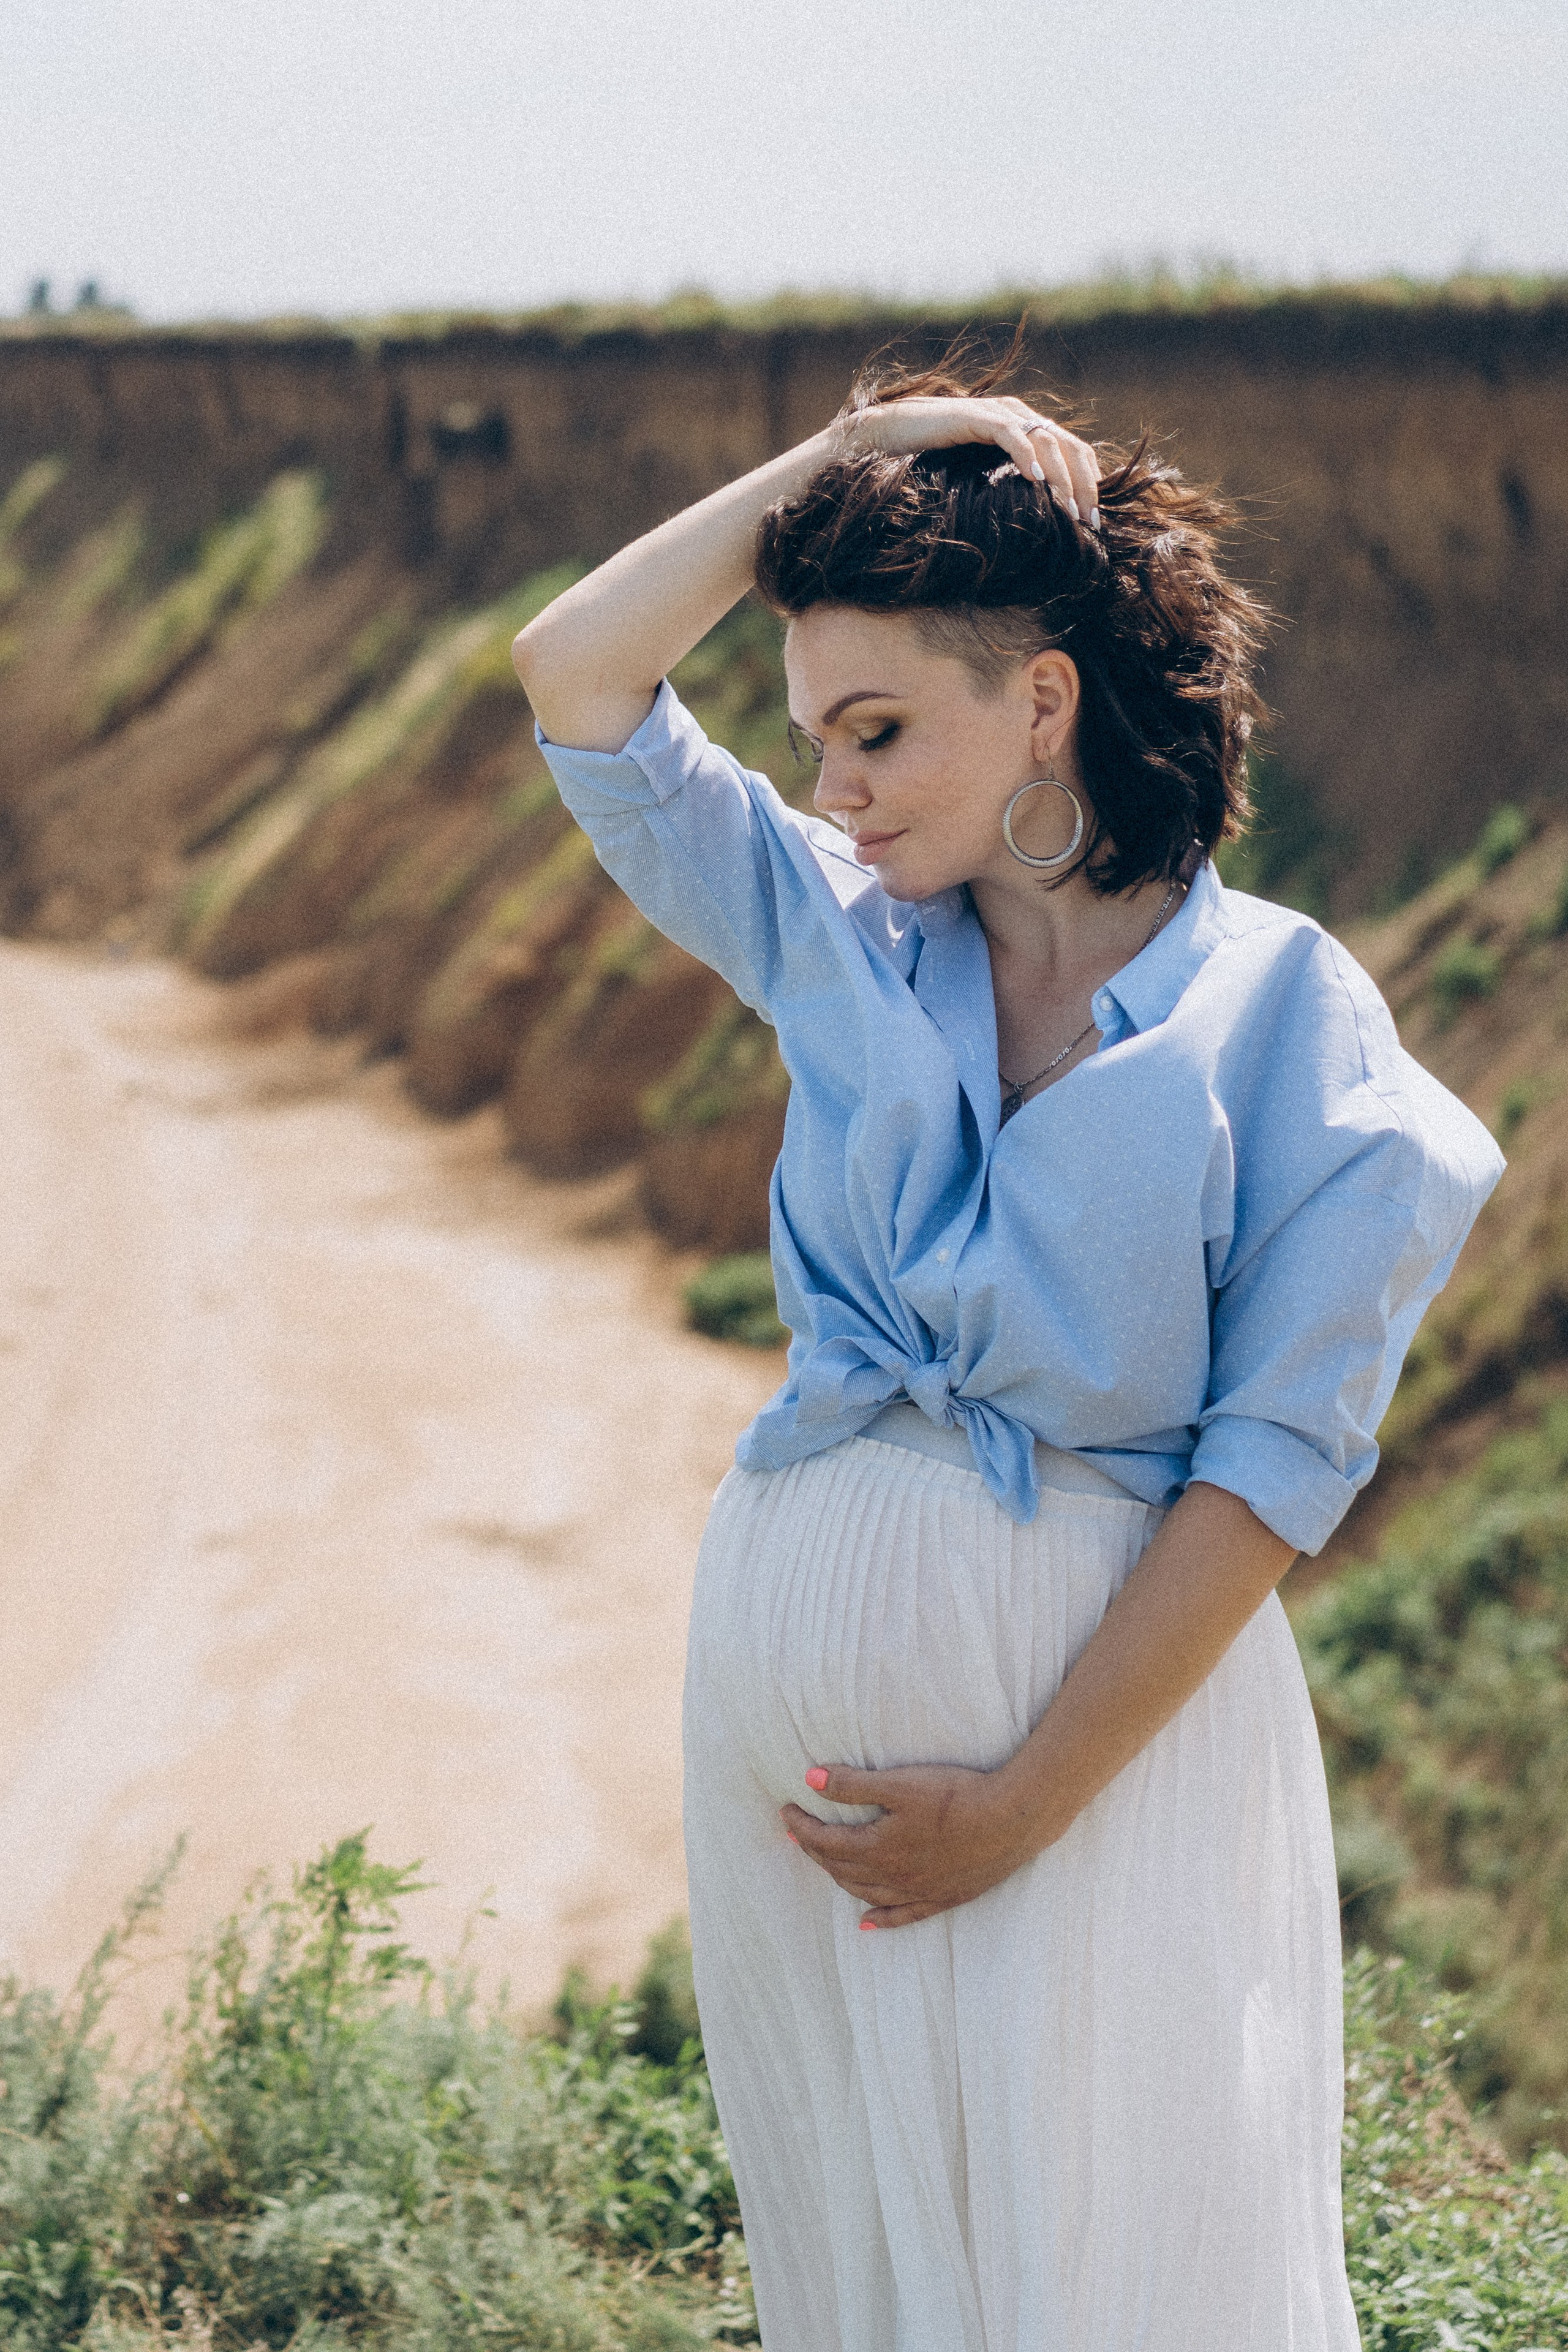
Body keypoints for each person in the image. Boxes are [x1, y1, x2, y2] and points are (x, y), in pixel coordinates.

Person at [513, 349, 1504, 2352]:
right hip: (792, 1758)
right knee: (870, 2288)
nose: (834, 790)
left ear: (1041, 699)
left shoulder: (1290, 1018)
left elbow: (1267, 1482)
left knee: (1128, 2284)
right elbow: (575, 672)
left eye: (876, 731)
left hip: (1098, 1773)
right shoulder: (835, 929)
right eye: (814, 739)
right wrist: (848, 453)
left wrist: (1031, 1796)